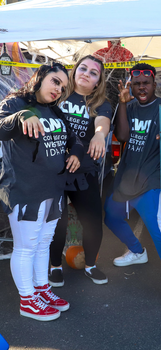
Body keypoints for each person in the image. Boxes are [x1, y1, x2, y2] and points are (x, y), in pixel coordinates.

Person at [0, 63, 84, 321]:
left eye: (62, 86)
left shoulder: (54, 111)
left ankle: (41, 289)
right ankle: (28, 300)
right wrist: (22, 117)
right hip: (25, 189)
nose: (58, 88)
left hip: (53, 189)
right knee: (26, 247)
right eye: (55, 81)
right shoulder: (14, 103)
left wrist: (77, 154)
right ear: (39, 78)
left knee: (44, 244)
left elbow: (74, 140)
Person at [104, 63, 161, 311]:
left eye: (146, 83)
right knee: (111, 216)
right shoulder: (128, 107)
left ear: (154, 84)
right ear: (132, 84)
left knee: (158, 230)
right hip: (127, 177)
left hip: (151, 179)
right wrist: (121, 103)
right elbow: (123, 136)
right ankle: (137, 251)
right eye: (137, 83)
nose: (142, 87)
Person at [49, 55, 112, 286]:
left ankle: (91, 265)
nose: (86, 73)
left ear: (98, 81)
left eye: (93, 72)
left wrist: (99, 134)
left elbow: (102, 122)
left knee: (94, 220)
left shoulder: (101, 104)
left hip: (83, 170)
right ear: (74, 71)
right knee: (57, 221)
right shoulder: (58, 93)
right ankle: (54, 266)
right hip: (53, 168)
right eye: (82, 68)